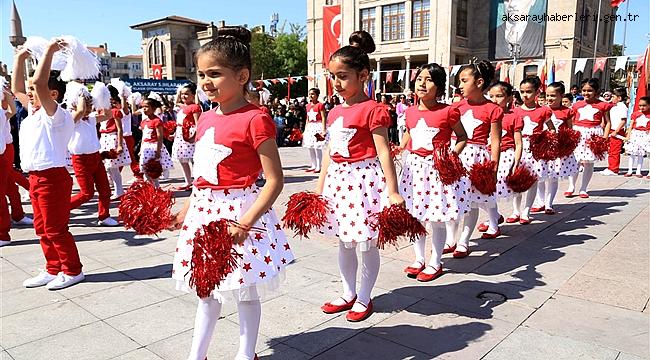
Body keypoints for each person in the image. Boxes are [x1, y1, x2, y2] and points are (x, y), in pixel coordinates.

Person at [169, 26, 293, 360]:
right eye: (201, 74)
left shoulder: (256, 119)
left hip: (240, 212)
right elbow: (204, 172)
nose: (205, 82)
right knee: (206, 287)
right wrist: (190, 205)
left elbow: (274, 179)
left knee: (245, 290)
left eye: (215, 74)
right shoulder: (206, 119)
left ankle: (245, 353)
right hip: (205, 214)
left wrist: (246, 221)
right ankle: (197, 354)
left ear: (242, 75)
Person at [316, 30, 404, 322]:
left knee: (366, 241)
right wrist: (320, 186)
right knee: (344, 240)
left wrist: (392, 191)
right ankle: (347, 292)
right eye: (333, 76)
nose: (336, 83)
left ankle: (364, 296)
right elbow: (330, 150)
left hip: (363, 181)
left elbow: (383, 152)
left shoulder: (374, 110)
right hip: (338, 181)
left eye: (343, 76)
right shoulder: (334, 112)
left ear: (363, 75)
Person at [12, 39, 84, 289]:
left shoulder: (57, 115)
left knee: (55, 228)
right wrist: (20, 58)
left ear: (52, 94)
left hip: (52, 177)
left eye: (34, 92)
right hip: (35, 177)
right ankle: (53, 268)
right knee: (41, 228)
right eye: (30, 92)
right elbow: (17, 87)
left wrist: (51, 52)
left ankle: (73, 270)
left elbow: (40, 83)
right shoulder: (33, 113)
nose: (29, 95)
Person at [399, 63, 470, 282]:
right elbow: (409, 135)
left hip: (436, 170)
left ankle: (435, 261)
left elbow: (462, 137)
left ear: (438, 87)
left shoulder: (448, 111)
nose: (422, 82)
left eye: (429, 79)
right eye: (419, 78)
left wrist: (450, 156)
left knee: (436, 217)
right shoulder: (409, 112)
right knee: (415, 215)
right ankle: (419, 258)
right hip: (414, 169)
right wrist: (400, 152)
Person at [443, 60, 503, 258]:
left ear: (478, 82)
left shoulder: (493, 109)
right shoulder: (456, 106)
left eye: (463, 80)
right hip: (455, 153)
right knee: (451, 198)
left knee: (471, 202)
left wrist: (493, 167)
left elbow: (495, 140)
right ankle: (451, 238)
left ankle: (464, 240)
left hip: (477, 157)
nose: (459, 85)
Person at [67, 86, 118, 226]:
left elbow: (108, 115)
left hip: (95, 157)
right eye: (87, 105)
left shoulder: (90, 119)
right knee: (86, 193)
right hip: (80, 160)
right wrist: (81, 94)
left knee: (105, 190)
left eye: (91, 104)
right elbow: (80, 111)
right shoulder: (70, 118)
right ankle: (61, 211)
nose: (89, 108)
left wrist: (104, 98)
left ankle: (104, 216)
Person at [513, 76, 554, 222]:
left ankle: (526, 211)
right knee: (516, 179)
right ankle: (515, 211)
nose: (525, 95)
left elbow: (552, 129)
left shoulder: (544, 111)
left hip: (535, 149)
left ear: (537, 92)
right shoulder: (515, 111)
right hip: (518, 147)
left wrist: (545, 140)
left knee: (533, 180)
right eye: (522, 92)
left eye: (529, 91)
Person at [566, 78, 612, 198]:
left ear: (596, 91)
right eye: (584, 90)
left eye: (590, 90)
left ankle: (583, 188)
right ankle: (571, 186)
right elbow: (571, 121)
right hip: (578, 133)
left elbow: (608, 122)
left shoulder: (603, 105)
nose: (586, 93)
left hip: (593, 134)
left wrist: (604, 137)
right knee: (574, 160)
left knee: (589, 162)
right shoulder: (576, 105)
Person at [540, 82, 579, 212]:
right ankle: (539, 201)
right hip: (542, 147)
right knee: (540, 176)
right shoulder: (542, 110)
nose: (549, 98)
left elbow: (569, 129)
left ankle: (548, 204)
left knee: (553, 176)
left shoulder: (567, 111)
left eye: (553, 95)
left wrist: (567, 144)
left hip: (558, 148)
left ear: (561, 96)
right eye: (547, 95)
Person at [489, 82, 523, 222]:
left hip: (506, 154)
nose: (494, 100)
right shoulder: (488, 113)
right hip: (489, 153)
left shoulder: (514, 116)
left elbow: (518, 142)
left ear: (509, 98)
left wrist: (516, 161)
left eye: (499, 96)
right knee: (488, 186)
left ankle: (515, 211)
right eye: (491, 96)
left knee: (503, 183)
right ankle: (494, 216)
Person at [100, 88, 131, 200]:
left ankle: (119, 190)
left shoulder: (115, 111)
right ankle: (116, 189)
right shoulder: (101, 111)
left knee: (113, 167)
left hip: (112, 138)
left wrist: (119, 144)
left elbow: (119, 129)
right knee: (109, 167)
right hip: (104, 138)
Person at [172, 82, 201, 190]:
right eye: (182, 94)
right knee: (182, 160)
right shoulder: (182, 107)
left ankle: (196, 180)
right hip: (180, 134)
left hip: (190, 134)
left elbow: (198, 123)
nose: (183, 96)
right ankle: (188, 181)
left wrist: (195, 135)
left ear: (193, 95)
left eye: (187, 94)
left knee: (194, 160)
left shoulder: (195, 107)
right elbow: (176, 103)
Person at [139, 98, 173, 187]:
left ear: (153, 108)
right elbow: (144, 136)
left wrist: (158, 151)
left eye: (147, 107)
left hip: (154, 147)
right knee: (145, 169)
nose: (144, 109)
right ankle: (150, 188)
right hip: (145, 147)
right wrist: (141, 149)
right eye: (143, 107)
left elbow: (160, 137)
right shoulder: (143, 122)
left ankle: (156, 188)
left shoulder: (157, 121)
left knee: (153, 169)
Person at [600, 87, 628, 176]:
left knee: (615, 150)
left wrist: (616, 131)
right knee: (611, 150)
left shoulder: (622, 107)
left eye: (613, 96)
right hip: (611, 130)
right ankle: (610, 166)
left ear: (619, 98)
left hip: (617, 131)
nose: (611, 98)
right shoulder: (612, 106)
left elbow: (623, 120)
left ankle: (614, 169)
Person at [623, 96, 650, 178]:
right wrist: (628, 135)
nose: (641, 107)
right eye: (640, 105)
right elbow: (631, 125)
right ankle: (630, 170)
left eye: (644, 105)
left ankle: (639, 171)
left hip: (646, 135)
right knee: (632, 153)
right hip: (635, 134)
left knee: (641, 154)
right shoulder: (635, 114)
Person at [302, 88, 327, 173]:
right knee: (310, 146)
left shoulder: (320, 105)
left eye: (312, 94)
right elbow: (307, 118)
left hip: (318, 125)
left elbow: (323, 117)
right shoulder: (307, 106)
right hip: (310, 126)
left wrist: (323, 129)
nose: (310, 96)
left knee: (317, 146)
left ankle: (319, 166)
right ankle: (313, 164)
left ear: (317, 95)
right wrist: (305, 129)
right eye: (309, 94)